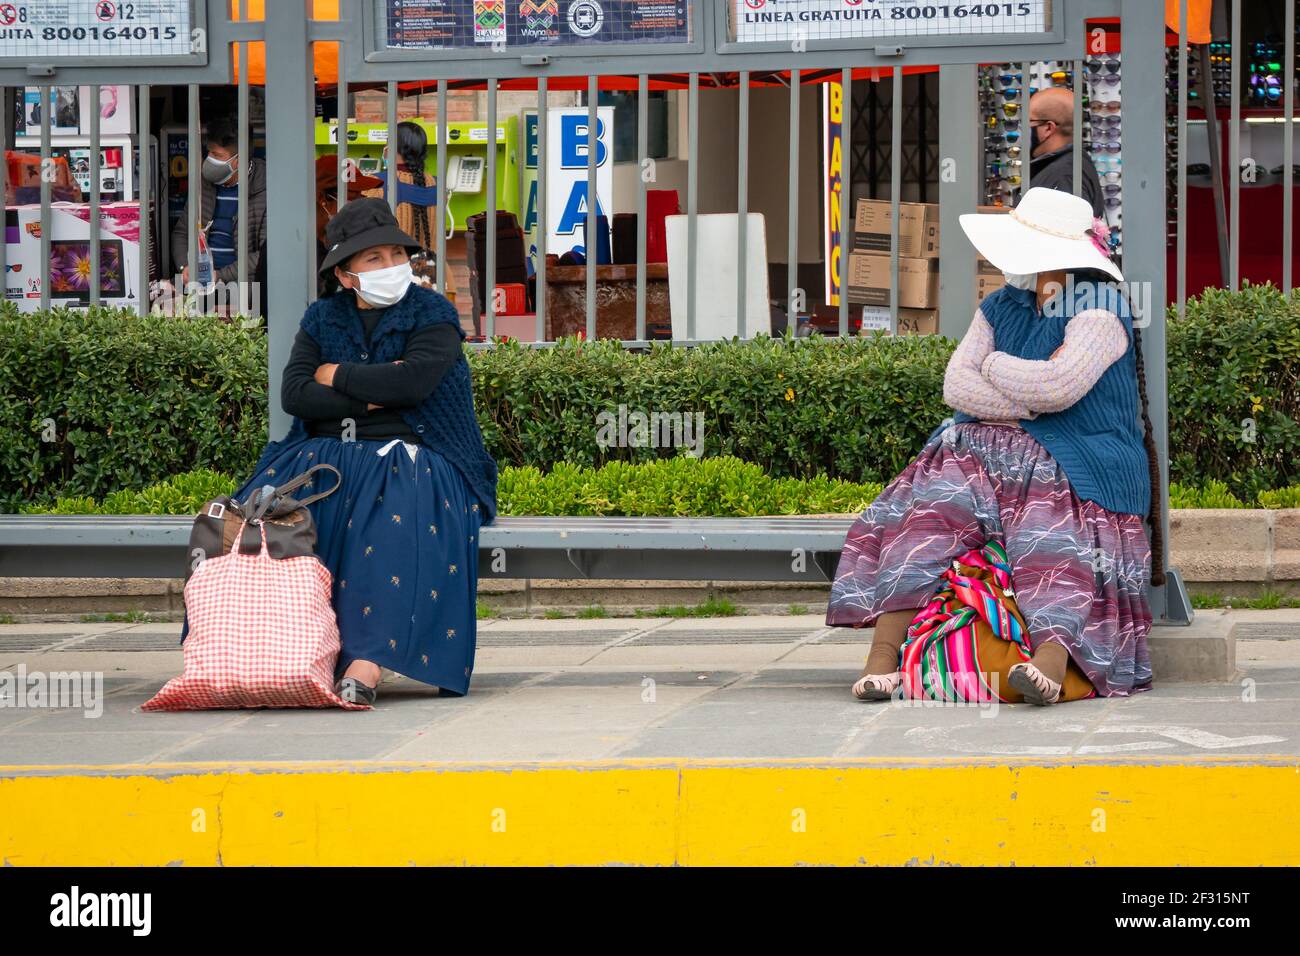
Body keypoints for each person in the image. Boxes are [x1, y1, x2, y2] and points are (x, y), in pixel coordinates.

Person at [826, 187, 1162, 706]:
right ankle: (882, 656)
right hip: (977, 453)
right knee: (925, 515)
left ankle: (1048, 664)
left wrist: (994, 368)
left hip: (1076, 460)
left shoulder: (1101, 308)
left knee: (1050, 535)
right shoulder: (1000, 305)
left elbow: (1059, 388)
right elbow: (955, 386)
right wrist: (1026, 397)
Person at [230, 198, 498, 705]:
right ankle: (286, 654)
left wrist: (339, 377)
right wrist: (378, 390)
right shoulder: (322, 318)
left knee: (395, 513)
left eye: (396, 253)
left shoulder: (432, 313)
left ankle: (367, 662)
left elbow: (416, 382)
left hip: (421, 453)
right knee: (269, 511)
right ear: (346, 274)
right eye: (373, 259)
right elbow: (295, 394)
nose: (391, 266)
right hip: (323, 451)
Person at [362, 120, 457, 303]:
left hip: (396, 284)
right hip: (439, 281)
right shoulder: (438, 185)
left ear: (392, 148)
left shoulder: (376, 185)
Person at [171, 113, 267, 289]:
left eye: (217, 155)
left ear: (238, 161)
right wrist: (185, 266)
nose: (210, 160)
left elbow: (265, 253)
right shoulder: (204, 182)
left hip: (245, 288)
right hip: (199, 285)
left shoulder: (265, 188)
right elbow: (181, 233)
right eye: (209, 152)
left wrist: (219, 276)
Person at [1022, 87, 1104, 218]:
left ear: (1048, 128)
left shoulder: (1064, 176)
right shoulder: (1068, 167)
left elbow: (1066, 234)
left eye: (1028, 122)